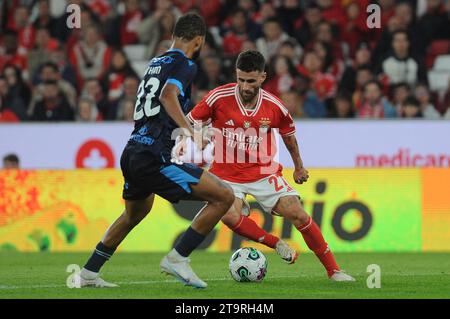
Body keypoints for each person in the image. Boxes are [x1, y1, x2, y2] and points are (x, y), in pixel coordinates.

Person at [75, 13, 235, 289]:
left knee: (134, 214)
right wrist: (192, 132)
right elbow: (167, 96)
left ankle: (89, 272)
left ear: (173, 35)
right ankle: (178, 257)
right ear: (199, 41)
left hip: (133, 150)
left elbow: (161, 102)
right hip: (154, 157)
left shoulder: (155, 62)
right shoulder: (185, 64)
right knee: (223, 196)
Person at [186, 50, 355, 281]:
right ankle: (276, 244)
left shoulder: (274, 106)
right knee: (227, 214)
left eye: (251, 81)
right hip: (225, 174)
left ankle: (334, 270)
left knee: (298, 213)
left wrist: (299, 167)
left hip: (263, 172)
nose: (245, 86)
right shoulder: (218, 97)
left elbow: (289, 136)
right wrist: (198, 134)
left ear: (262, 77)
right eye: (241, 79)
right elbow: (189, 121)